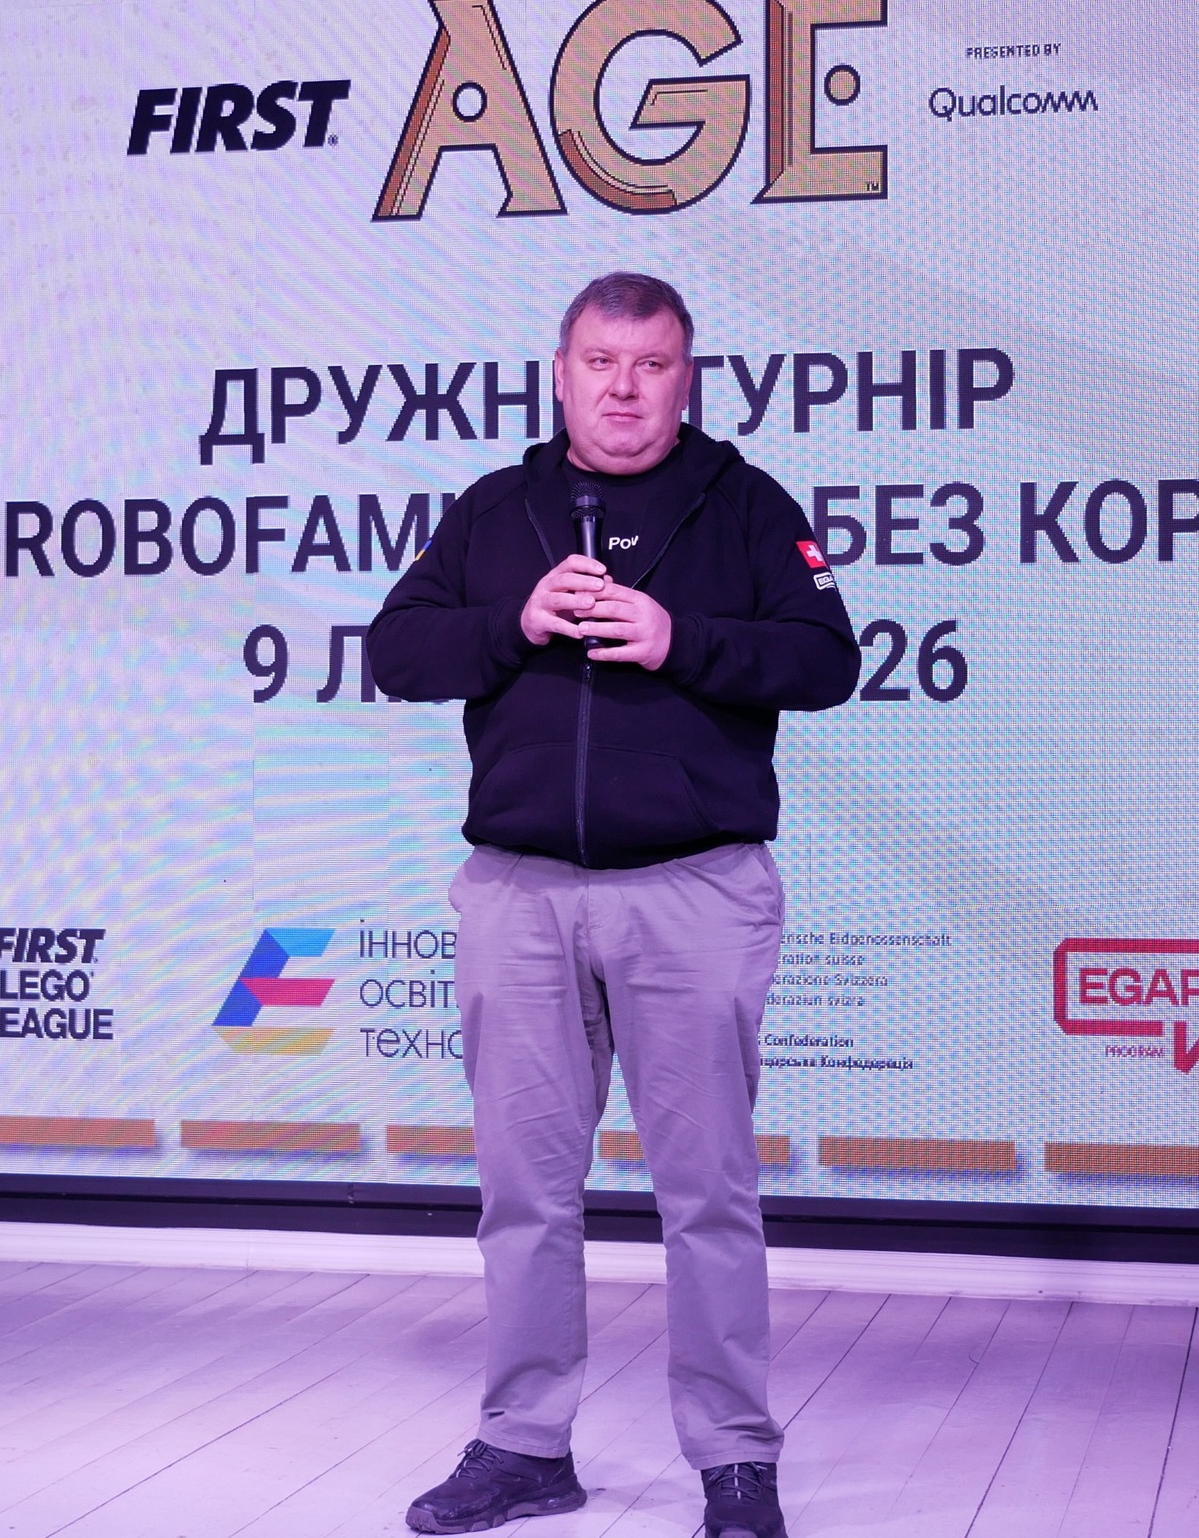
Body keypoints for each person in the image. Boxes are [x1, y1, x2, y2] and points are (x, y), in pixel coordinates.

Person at [368, 272, 860, 1538]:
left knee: (707, 1195)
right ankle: (523, 1445)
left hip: (692, 890)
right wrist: (513, 620)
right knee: (523, 1194)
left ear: (685, 378)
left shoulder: (744, 505)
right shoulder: (497, 509)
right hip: (518, 894)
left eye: (650, 365)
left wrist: (678, 638)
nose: (624, 389)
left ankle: (734, 1460)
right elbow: (394, 650)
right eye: (601, 363)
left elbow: (826, 658)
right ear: (561, 372)